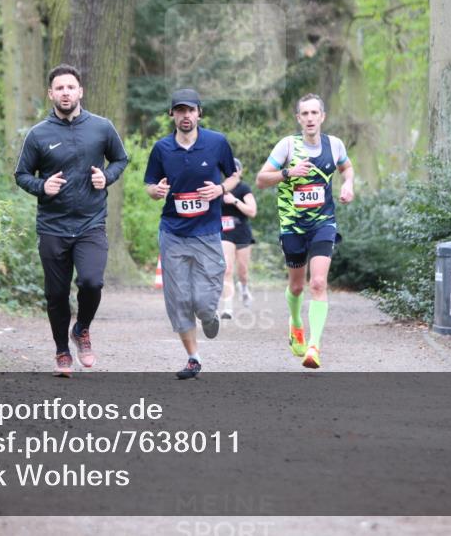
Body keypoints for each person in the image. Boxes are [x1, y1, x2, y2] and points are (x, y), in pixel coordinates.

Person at [15, 64, 129, 377]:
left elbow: (121, 159)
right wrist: (42, 186)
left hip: (91, 222)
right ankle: (62, 350)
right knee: (56, 293)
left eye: (70, 87)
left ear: (80, 91)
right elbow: (21, 175)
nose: (65, 92)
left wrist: (106, 177)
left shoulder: (102, 127)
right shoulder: (39, 134)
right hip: (52, 225)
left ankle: (81, 329)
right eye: (59, 88)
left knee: (92, 282)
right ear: (51, 94)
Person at [144, 88, 239, 379]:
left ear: (199, 113)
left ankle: (209, 316)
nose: (186, 116)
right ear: (172, 114)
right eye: (180, 110)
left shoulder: (216, 143)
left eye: (191, 110)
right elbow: (150, 185)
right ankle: (193, 358)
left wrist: (220, 189)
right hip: (173, 232)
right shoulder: (162, 149)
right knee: (178, 297)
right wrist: (156, 191)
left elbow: (235, 175)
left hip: (208, 232)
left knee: (203, 299)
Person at [255, 93, 354, 369]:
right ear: (298, 119)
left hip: (324, 223)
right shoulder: (287, 146)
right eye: (305, 114)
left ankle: (314, 346)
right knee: (297, 286)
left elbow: (347, 167)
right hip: (293, 225)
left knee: (318, 284)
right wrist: (288, 173)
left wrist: (348, 185)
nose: (310, 118)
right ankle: (296, 323)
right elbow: (261, 180)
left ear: (322, 117)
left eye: (314, 113)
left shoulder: (334, 145)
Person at [218, 158, 257, 319]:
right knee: (227, 269)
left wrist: (234, 201)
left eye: (235, 170)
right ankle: (228, 308)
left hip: (241, 232)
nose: (232, 172)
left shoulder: (243, 189)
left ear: (240, 172)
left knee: (243, 272)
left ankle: (245, 288)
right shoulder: (218, 188)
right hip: (224, 233)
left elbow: (252, 211)